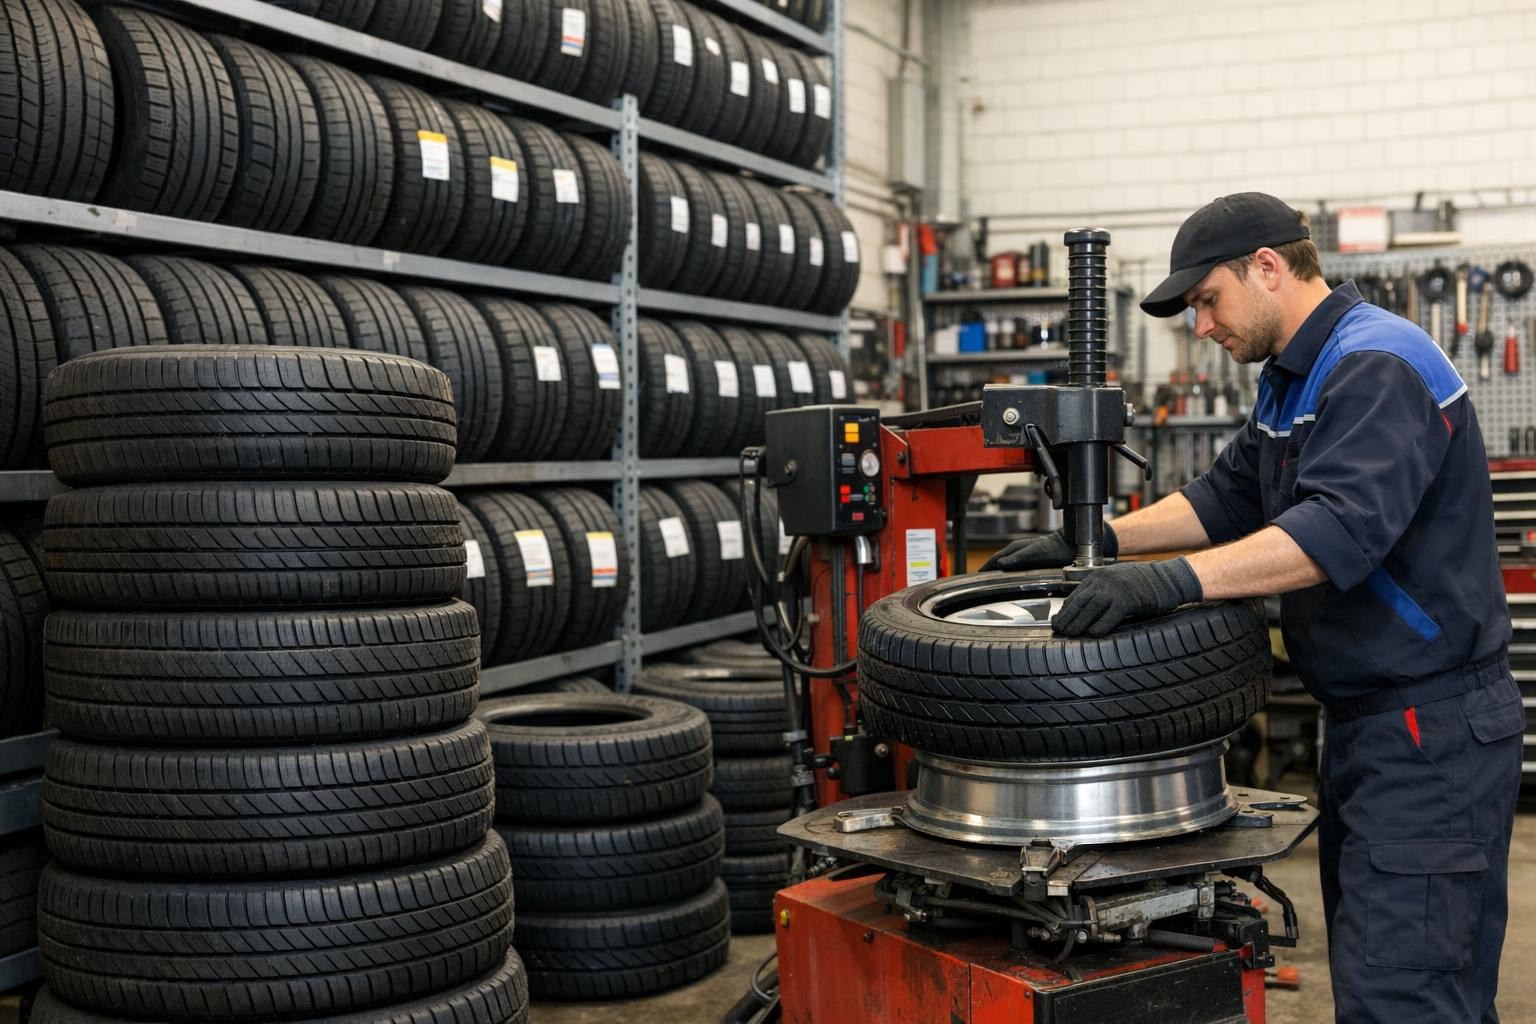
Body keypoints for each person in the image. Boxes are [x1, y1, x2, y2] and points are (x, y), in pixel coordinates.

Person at [982, 193, 1520, 1024]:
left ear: (1267, 267)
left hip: (1431, 733)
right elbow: (1225, 495)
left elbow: (1332, 534)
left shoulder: (1376, 364)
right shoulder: (1293, 378)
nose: (1201, 325)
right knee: (1398, 978)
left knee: (1408, 998)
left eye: (1206, 300)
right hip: (1373, 726)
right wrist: (1098, 545)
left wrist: (1172, 583)